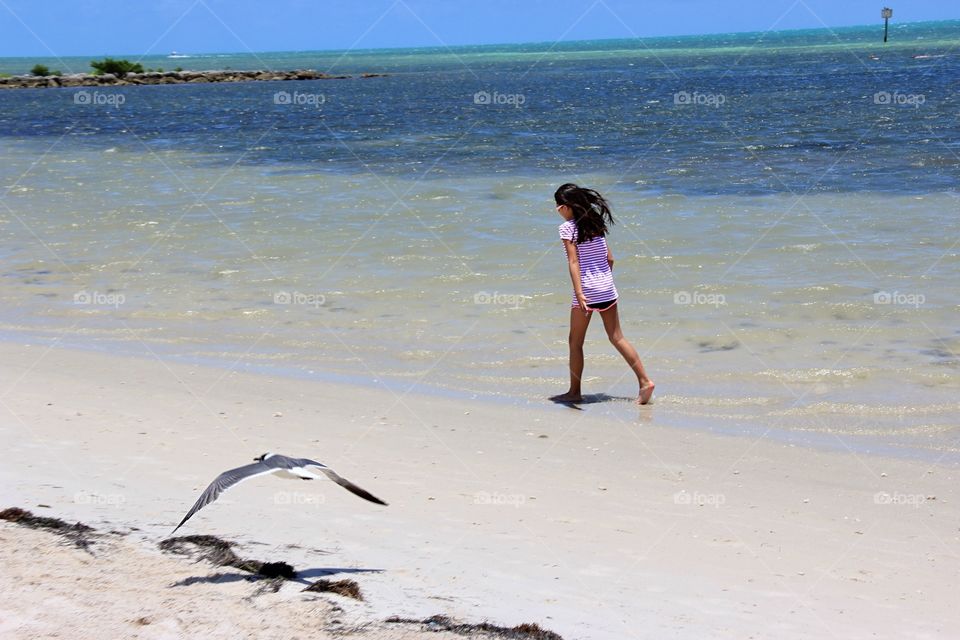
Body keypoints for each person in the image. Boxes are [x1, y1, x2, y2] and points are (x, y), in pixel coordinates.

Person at [550, 183, 655, 405]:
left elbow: (573, 261)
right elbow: (610, 259)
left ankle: (574, 392)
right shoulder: (596, 223)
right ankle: (645, 382)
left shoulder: (567, 228)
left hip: (586, 291)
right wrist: (602, 281)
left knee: (575, 342)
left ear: (567, 206)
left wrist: (580, 291)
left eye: (559, 205)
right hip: (607, 288)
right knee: (617, 337)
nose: (557, 210)